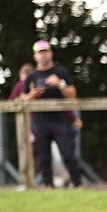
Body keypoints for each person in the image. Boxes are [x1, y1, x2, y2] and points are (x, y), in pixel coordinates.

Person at [23, 39, 82, 188]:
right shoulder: (32, 76)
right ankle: (48, 186)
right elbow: (22, 98)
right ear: (35, 56)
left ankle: (79, 185)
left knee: (68, 153)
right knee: (43, 157)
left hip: (58, 120)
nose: (43, 56)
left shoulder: (60, 72)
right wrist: (33, 95)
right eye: (40, 53)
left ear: (51, 53)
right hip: (39, 121)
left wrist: (59, 84)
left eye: (45, 52)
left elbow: (72, 94)